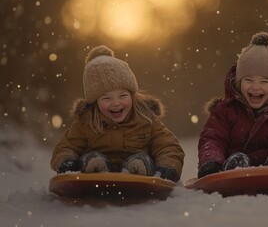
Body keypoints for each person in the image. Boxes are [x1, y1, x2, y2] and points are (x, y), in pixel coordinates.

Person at [50, 45, 184, 182]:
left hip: (138, 173)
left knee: (142, 159)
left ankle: (139, 166)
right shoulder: (86, 121)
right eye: (107, 98)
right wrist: (67, 162)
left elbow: (168, 146)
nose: (116, 103)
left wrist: (168, 167)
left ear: (132, 95)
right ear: (95, 101)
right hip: (95, 174)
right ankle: (96, 166)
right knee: (90, 158)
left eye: (122, 96)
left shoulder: (146, 118)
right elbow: (66, 146)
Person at [197, 32, 268, 179]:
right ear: (238, 82)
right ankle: (236, 167)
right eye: (248, 80)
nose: (256, 87)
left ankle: (267, 167)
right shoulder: (225, 110)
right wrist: (211, 161)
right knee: (237, 157)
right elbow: (212, 138)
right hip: (229, 169)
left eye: (264, 82)